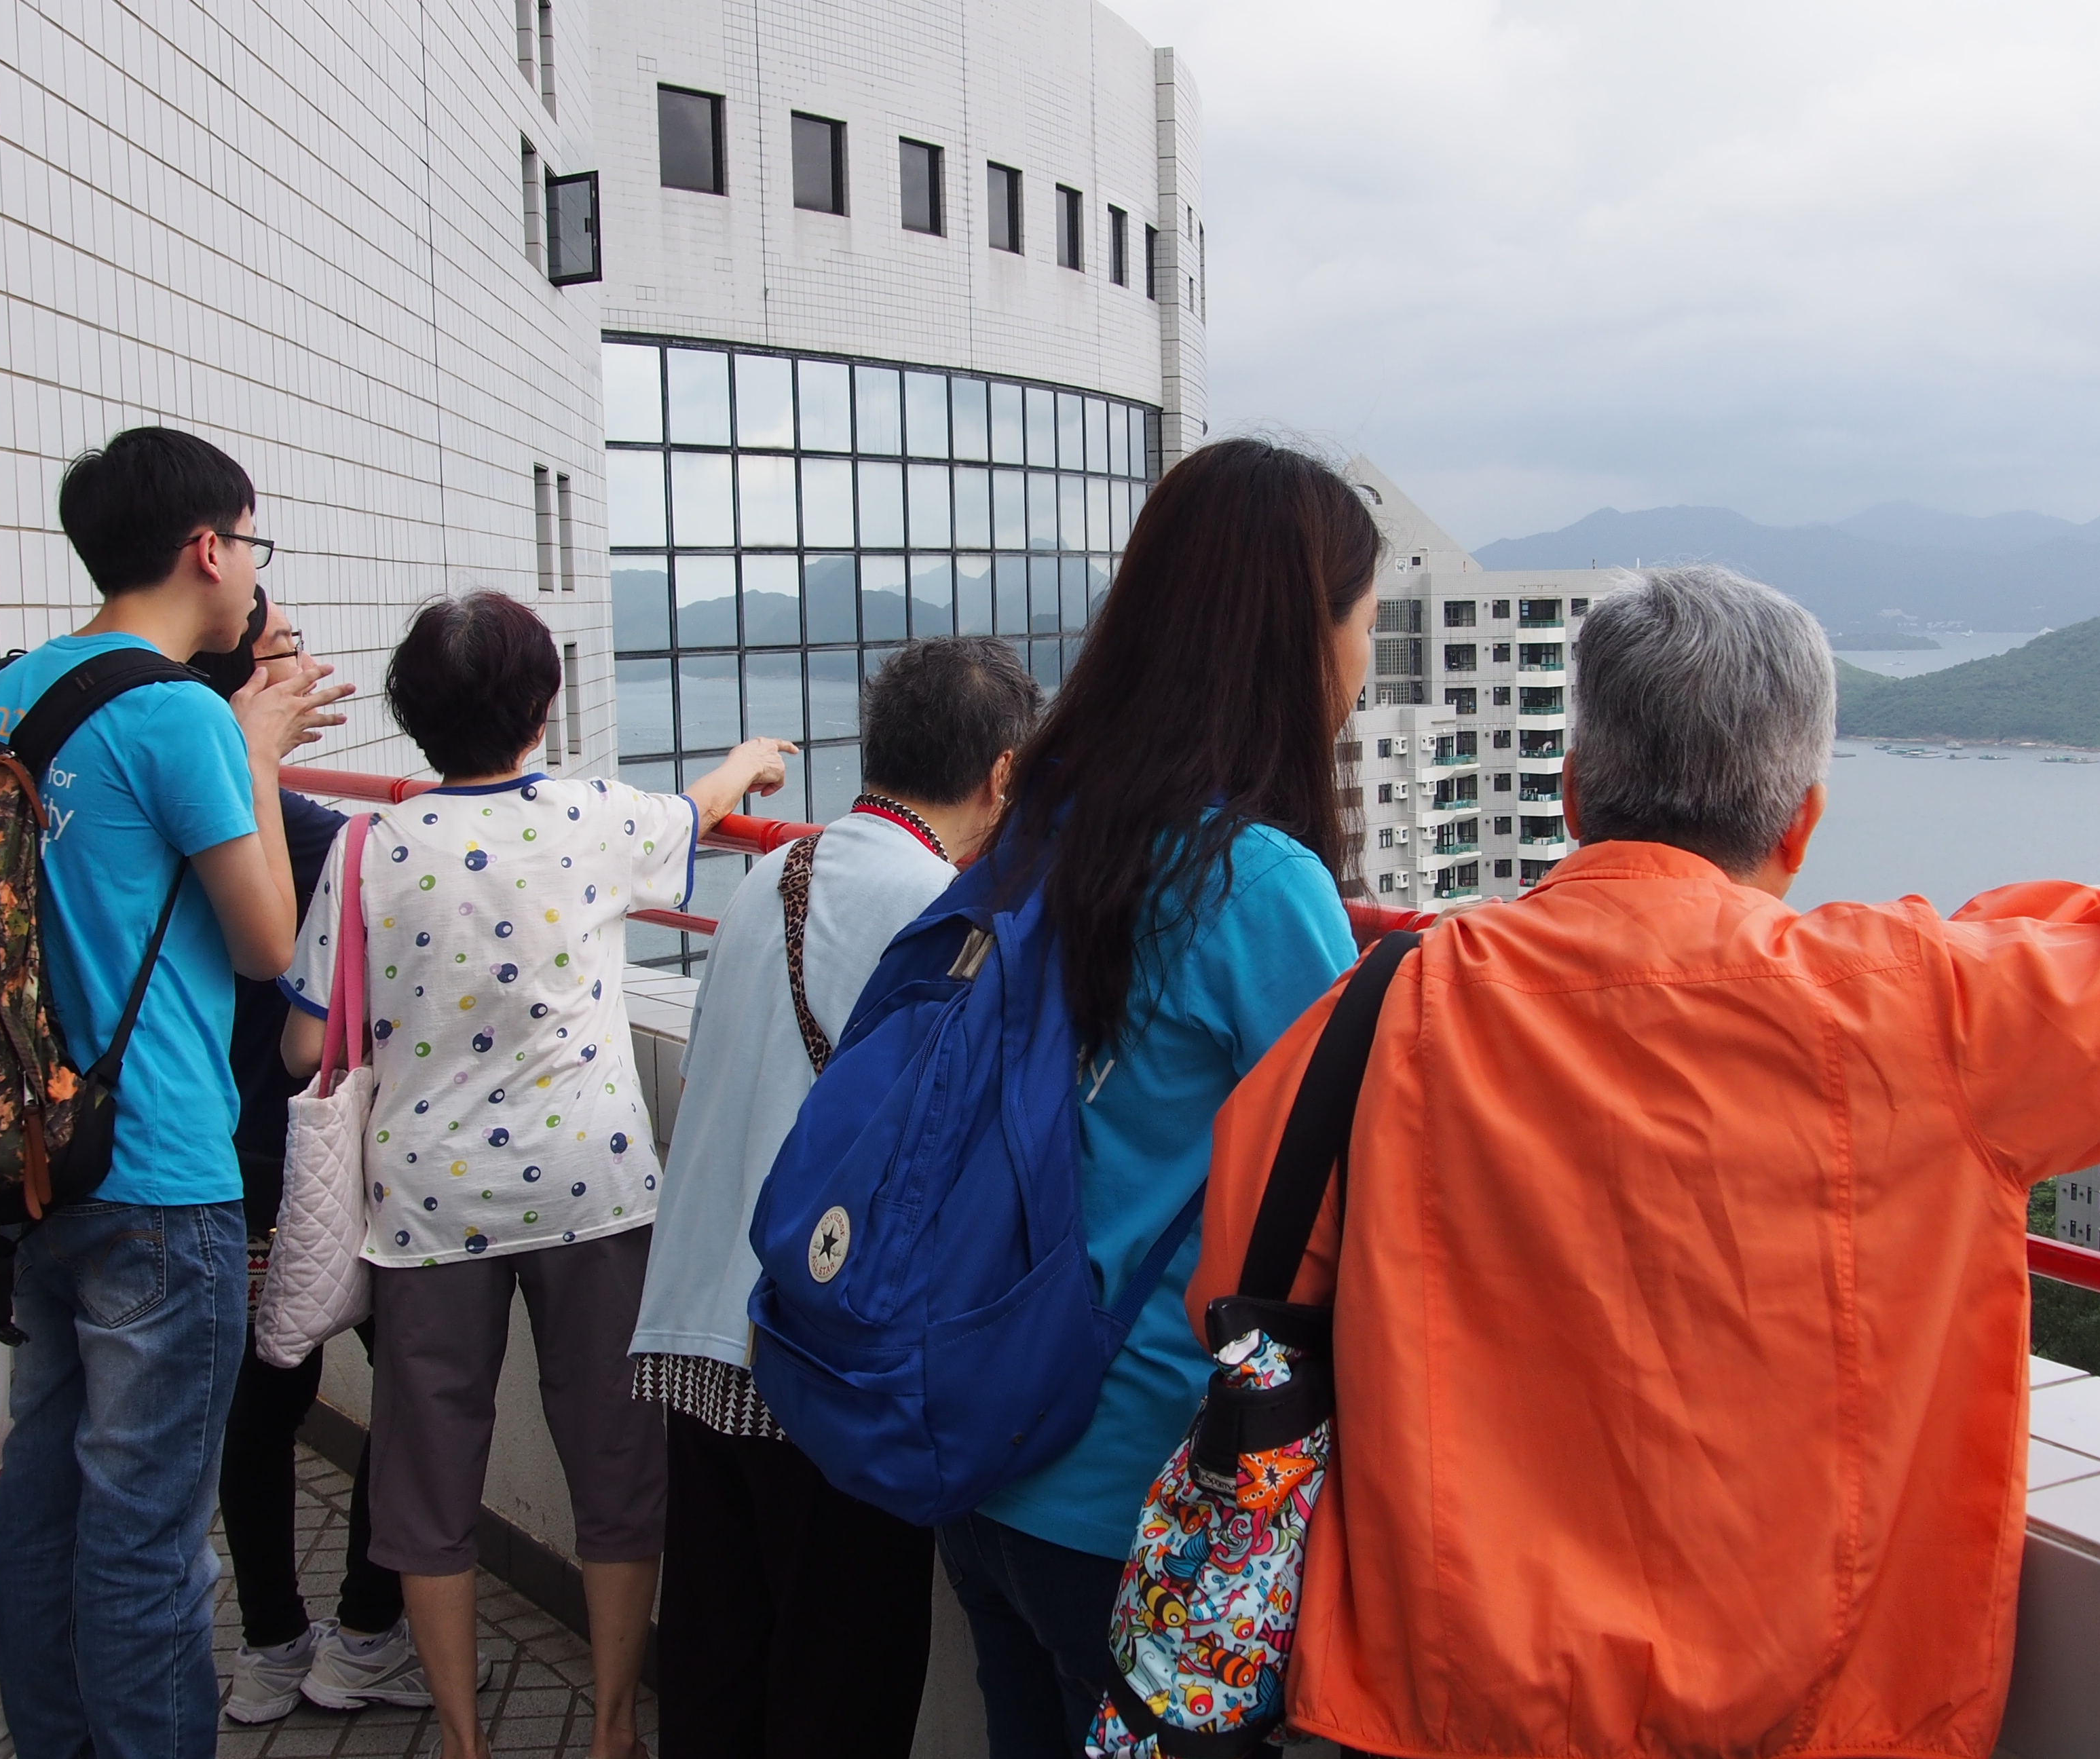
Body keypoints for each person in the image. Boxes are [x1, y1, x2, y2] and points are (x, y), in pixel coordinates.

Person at [1189, 565, 2100, 1759]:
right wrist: (1978, 922)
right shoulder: (1917, 1004)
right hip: (1817, 1719)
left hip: (1455, 1709)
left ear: (1570, 795)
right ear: (1802, 822)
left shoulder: (1388, 1007)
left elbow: (1237, 1292)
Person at [278, 590, 792, 1759]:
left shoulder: (367, 846)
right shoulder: (593, 817)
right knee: (616, 1464)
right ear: (544, 703)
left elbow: (307, 1045)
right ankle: (612, 1729)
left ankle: (463, 1744)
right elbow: (699, 814)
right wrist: (748, 761)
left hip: (425, 1210)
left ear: (413, 715)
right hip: (589, 1190)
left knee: (427, 1483)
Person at [935, 438, 1381, 1755]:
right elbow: (1353, 1180)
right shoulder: (1259, 882)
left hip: (986, 1449)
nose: (1364, 656)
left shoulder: (1038, 829)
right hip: (1140, 1499)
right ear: (1302, 636)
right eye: (1361, 618)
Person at [0, 428, 350, 1758]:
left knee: (53, 1513)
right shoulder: (177, 711)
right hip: (161, 1170)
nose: (253, 580)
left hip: (32, 1166)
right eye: (255, 549)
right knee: (148, 1542)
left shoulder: (6, 694)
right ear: (209, 545)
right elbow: (266, 945)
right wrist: (257, 752)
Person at [631, 636, 1040, 1759]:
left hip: (700, 1338)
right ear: (1003, 775)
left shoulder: (778, 871)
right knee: (839, 1689)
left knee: (717, 1672)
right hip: (820, 1364)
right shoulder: (945, 916)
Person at [197, 594, 434, 1722]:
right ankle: (368, 1633)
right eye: (288, 654)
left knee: (262, 1403)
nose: (312, 668)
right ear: (241, 689)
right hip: (334, 1154)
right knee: (419, 1384)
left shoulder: (169, 813)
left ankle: (271, 1646)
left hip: (223, 1154)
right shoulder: (315, 839)